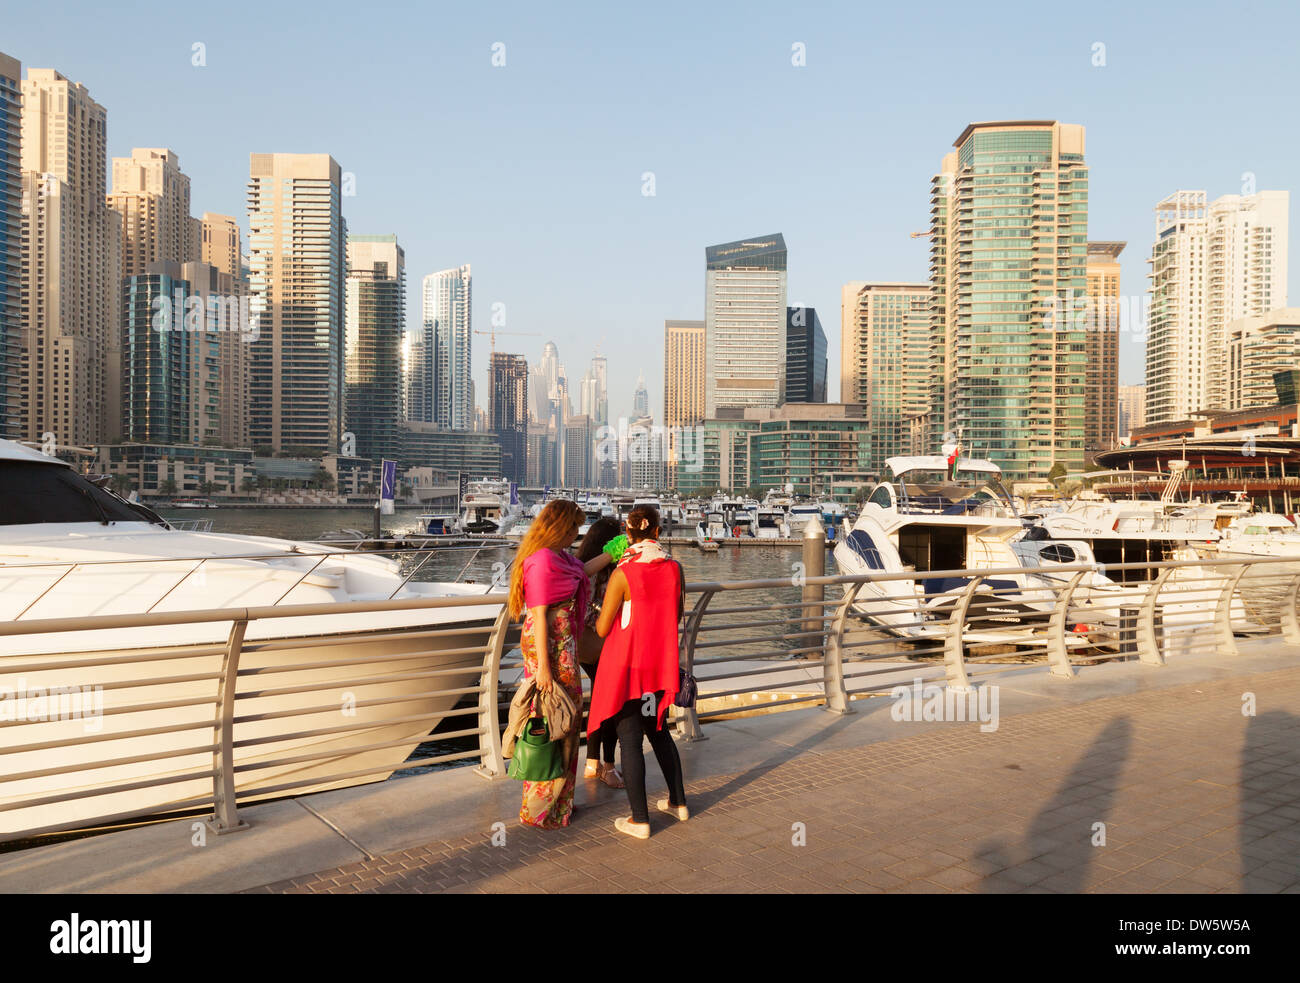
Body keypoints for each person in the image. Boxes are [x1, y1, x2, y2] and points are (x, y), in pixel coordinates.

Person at [508, 499, 614, 828]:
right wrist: (543, 669)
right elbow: (538, 615)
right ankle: (541, 809)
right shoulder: (542, 562)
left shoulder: (560, 559)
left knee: (565, 723)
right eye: (572, 529)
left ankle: (560, 802)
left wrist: (615, 550)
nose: (575, 535)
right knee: (550, 723)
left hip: (563, 646)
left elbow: (583, 570)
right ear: (558, 528)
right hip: (550, 651)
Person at [589, 505, 689, 839]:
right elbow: (675, 614)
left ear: (627, 534)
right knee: (659, 731)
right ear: (658, 532)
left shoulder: (623, 573)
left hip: (627, 667)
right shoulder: (675, 568)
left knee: (630, 740)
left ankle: (640, 820)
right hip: (659, 666)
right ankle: (678, 803)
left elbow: (603, 629)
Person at [575, 517, 625, 788]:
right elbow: (594, 611)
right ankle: (607, 765)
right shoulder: (603, 570)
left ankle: (593, 762)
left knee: (598, 700)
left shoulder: (583, 563)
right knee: (610, 703)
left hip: (584, 645)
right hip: (602, 644)